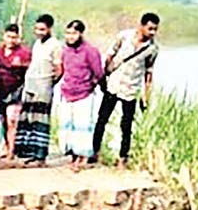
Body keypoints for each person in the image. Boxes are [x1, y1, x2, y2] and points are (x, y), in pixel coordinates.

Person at [93, 12, 160, 168]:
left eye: (155, 29)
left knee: (126, 125)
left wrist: (146, 96)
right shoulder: (124, 37)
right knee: (102, 119)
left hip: (131, 89)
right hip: (114, 85)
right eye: (150, 29)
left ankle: (123, 158)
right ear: (141, 26)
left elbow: (148, 73)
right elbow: (110, 55)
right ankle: (95, 152)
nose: (152, 33)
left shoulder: (152, 49)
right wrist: (104, 76)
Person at [54, 20, 104, 168]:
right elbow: (63, 70)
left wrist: (92, 85)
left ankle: (82, 158)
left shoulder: (90, 51)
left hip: (84, 93)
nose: (70, 36)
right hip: (67, 92)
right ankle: (73, 156)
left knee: (82, 126)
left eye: (74, 33)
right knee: (68, 126)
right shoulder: (65, 50)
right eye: (68, 33)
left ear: (81, 34)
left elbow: (98, 73)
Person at [15, 14, 61, 163]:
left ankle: (40, 155)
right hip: (30, 84)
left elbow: (59, 69)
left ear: (49, 29)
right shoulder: (37, 43)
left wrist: (49, 82)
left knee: (41, 119)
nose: (38, 32)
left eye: (42, 29)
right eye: (36, 29)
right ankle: (29, 152)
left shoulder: (55, 45)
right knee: (28, 118)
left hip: (43, 86)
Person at [0, 24, 31, 159]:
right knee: (3, 120)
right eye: (9, 37)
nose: (11, 40)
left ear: (19, 38)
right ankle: (7, 147)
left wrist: (21, 65)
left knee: (12, 120)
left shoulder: (24, 53)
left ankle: (11, 152)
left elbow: (31, 69)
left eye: (14, 37)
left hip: (16, 90)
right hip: (0, 89)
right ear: (4, 36)